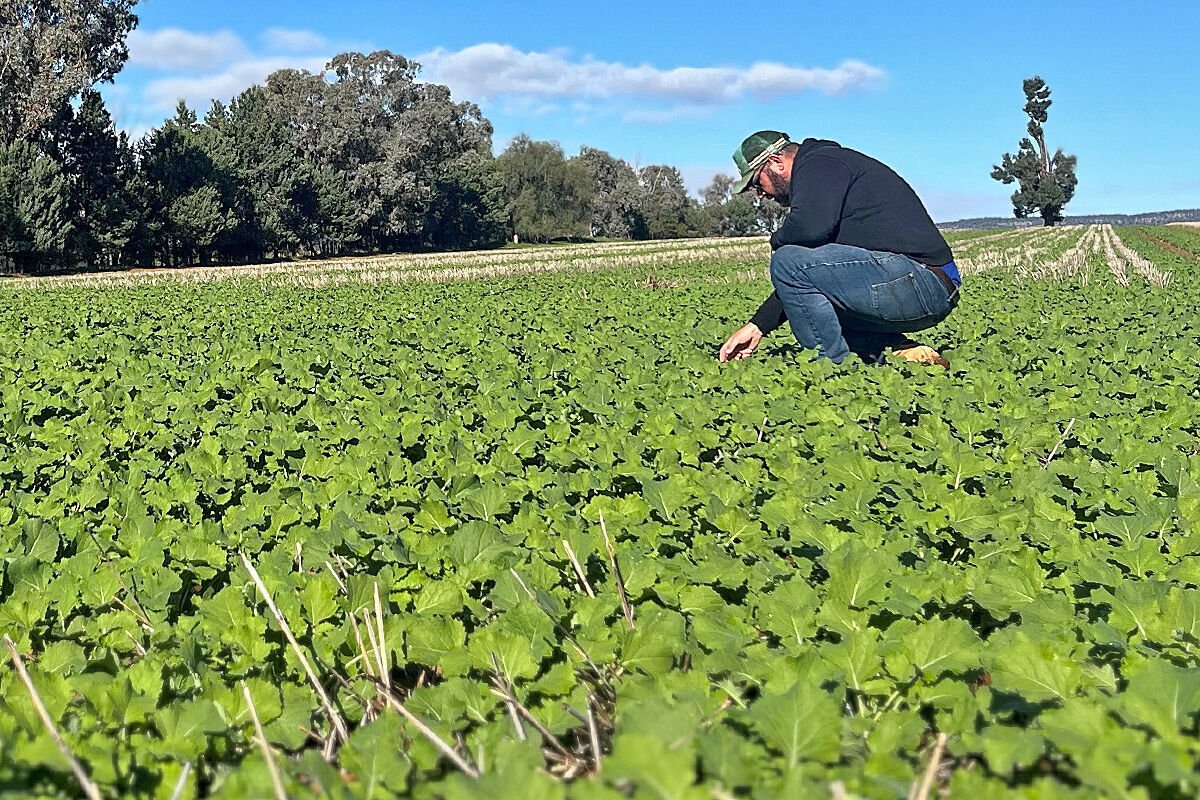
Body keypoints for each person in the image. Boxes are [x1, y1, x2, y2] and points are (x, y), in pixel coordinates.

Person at [717, 131, 960, 367]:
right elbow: (804, 282)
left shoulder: (819, 165)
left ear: (776, 162)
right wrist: (757, 325)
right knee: (808, 291)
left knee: (787, 260)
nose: (761, 194)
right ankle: (896, 351)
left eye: (757, 182)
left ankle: (833, 370)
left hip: (921, 282)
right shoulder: (826, 172)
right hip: (923, 285)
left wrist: (777, 240)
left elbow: (807, 230)